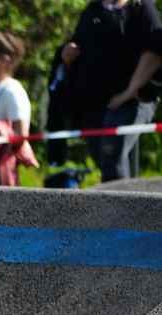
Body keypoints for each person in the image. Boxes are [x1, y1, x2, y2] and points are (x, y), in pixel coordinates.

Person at [61, 0, 162, 181]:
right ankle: (135, 203)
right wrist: (69, 54)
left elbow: (154, 51)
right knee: (106, 158)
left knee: (112, 156)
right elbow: (77, 44)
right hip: (96, 104)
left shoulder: (142, 8)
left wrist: (128, 93)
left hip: (132, 100)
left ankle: (119, 207)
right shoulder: (92, 11)